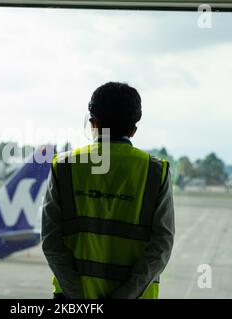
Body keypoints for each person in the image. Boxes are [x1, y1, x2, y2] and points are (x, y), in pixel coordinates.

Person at [41, 82, 175, 299]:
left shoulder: (64, 167)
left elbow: (51, 242)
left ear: (92, 122)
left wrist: (78, 297)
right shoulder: (155, 171)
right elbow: (161, 247)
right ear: (133, 129)